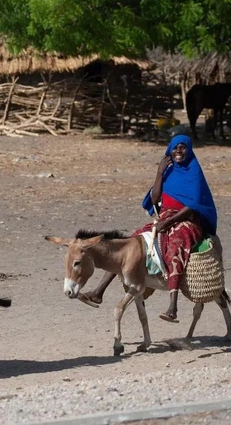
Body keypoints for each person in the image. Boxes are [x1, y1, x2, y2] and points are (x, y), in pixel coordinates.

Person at [82, 135, 217, 322]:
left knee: (175, 244)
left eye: (183, 147)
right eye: (175, 147)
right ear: (169, 150)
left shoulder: (193, 171)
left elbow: (192, 205)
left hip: (186, 220)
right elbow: (154, 200)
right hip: (164, 217)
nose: (179, 151)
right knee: (129, 244)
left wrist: (167, 224)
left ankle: (173, 306)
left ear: (189, 150)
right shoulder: (167, 171)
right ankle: (98, 291)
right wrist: (160, 173)